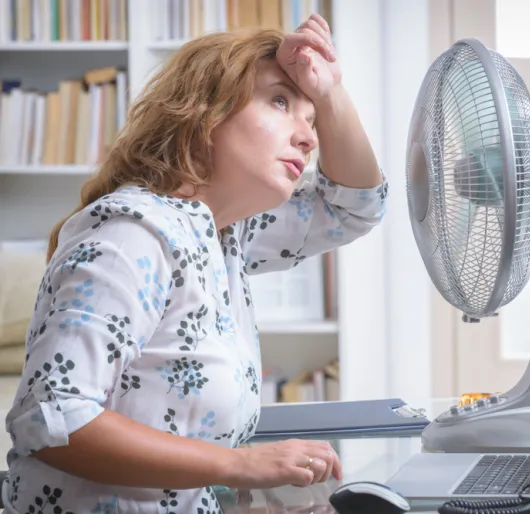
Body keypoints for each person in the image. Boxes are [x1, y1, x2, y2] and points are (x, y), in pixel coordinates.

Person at [1, 13, 388, 513]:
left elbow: (355, 207)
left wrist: (331, 92)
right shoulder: (133, 235)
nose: (309, 138)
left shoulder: (221, 235)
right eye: (279, 101)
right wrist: (242, 464)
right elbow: (53, 418)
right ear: (206, 111)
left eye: (311, 121)